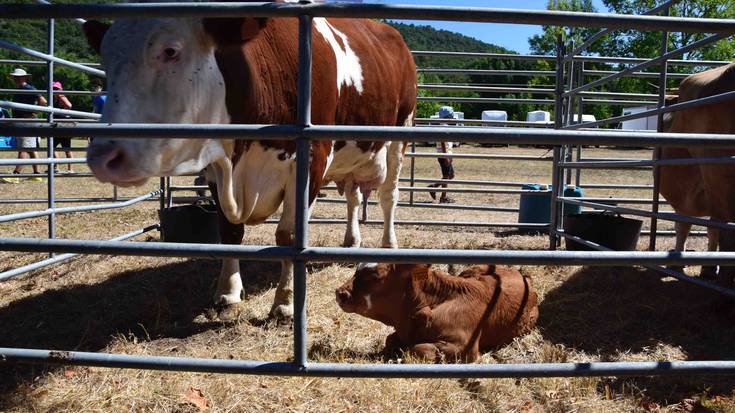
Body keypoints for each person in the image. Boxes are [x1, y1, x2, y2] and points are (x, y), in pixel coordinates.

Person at [3, 68, 47, 183]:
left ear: (25, 77)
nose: (15, 79)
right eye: (14, 77)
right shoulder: (20, 89)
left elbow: (43, 101)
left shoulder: (29, 88)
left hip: (26, 122)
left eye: (18, 77)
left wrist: (33, 111)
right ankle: (37, 174)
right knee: (31, 149)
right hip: (22, 121)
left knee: (23, 148)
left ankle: (16, 175)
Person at [428, 106, 456, 204]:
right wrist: (446, 156)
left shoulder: (443, 126)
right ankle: (443, 197)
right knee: (446, 176)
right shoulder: (444, 127)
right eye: (451, 117)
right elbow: (443, 142)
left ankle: (434, 187)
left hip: (445, 154)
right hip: (444, 155)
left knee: (450, 175)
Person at [50, 81, 75, 174]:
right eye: (53, 88)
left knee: (66, 149)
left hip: (64, 127)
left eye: (56, 89)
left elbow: (69, 105)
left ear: (61, 89)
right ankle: (56, 167)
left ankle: (70, 169)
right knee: (52, 147)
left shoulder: (61, 97)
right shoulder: (55, 98)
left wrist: (64, 113)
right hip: (58, 127)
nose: (54, 90)